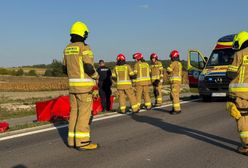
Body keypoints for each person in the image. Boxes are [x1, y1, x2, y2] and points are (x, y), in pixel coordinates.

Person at [63, 21, 99, 150]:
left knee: (74, 113)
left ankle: (72, 141)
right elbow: (88, 67)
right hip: (84, 88)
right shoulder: (85, 48)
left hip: (72, 87)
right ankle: (83, 142)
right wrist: (96, 76)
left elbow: (64, 69)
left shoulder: (67, 48)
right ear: (83, 34)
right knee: (84, 114)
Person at [226, 31, 248, 155]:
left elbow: (230, 74)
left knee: (243, 118)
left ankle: (247, 146)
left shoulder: (239, 54)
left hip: (242, 94)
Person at [166, 50, 182, 115]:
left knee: (174, 95)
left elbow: (169, 70)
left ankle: (177, 109)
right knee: (175, 95)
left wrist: (167, 68)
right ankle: (175, 108)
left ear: (173, 57)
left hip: (174, 82)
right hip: (178, 82)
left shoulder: (174, 63)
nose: (171, 58)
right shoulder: (179, 63)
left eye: (171, 57)